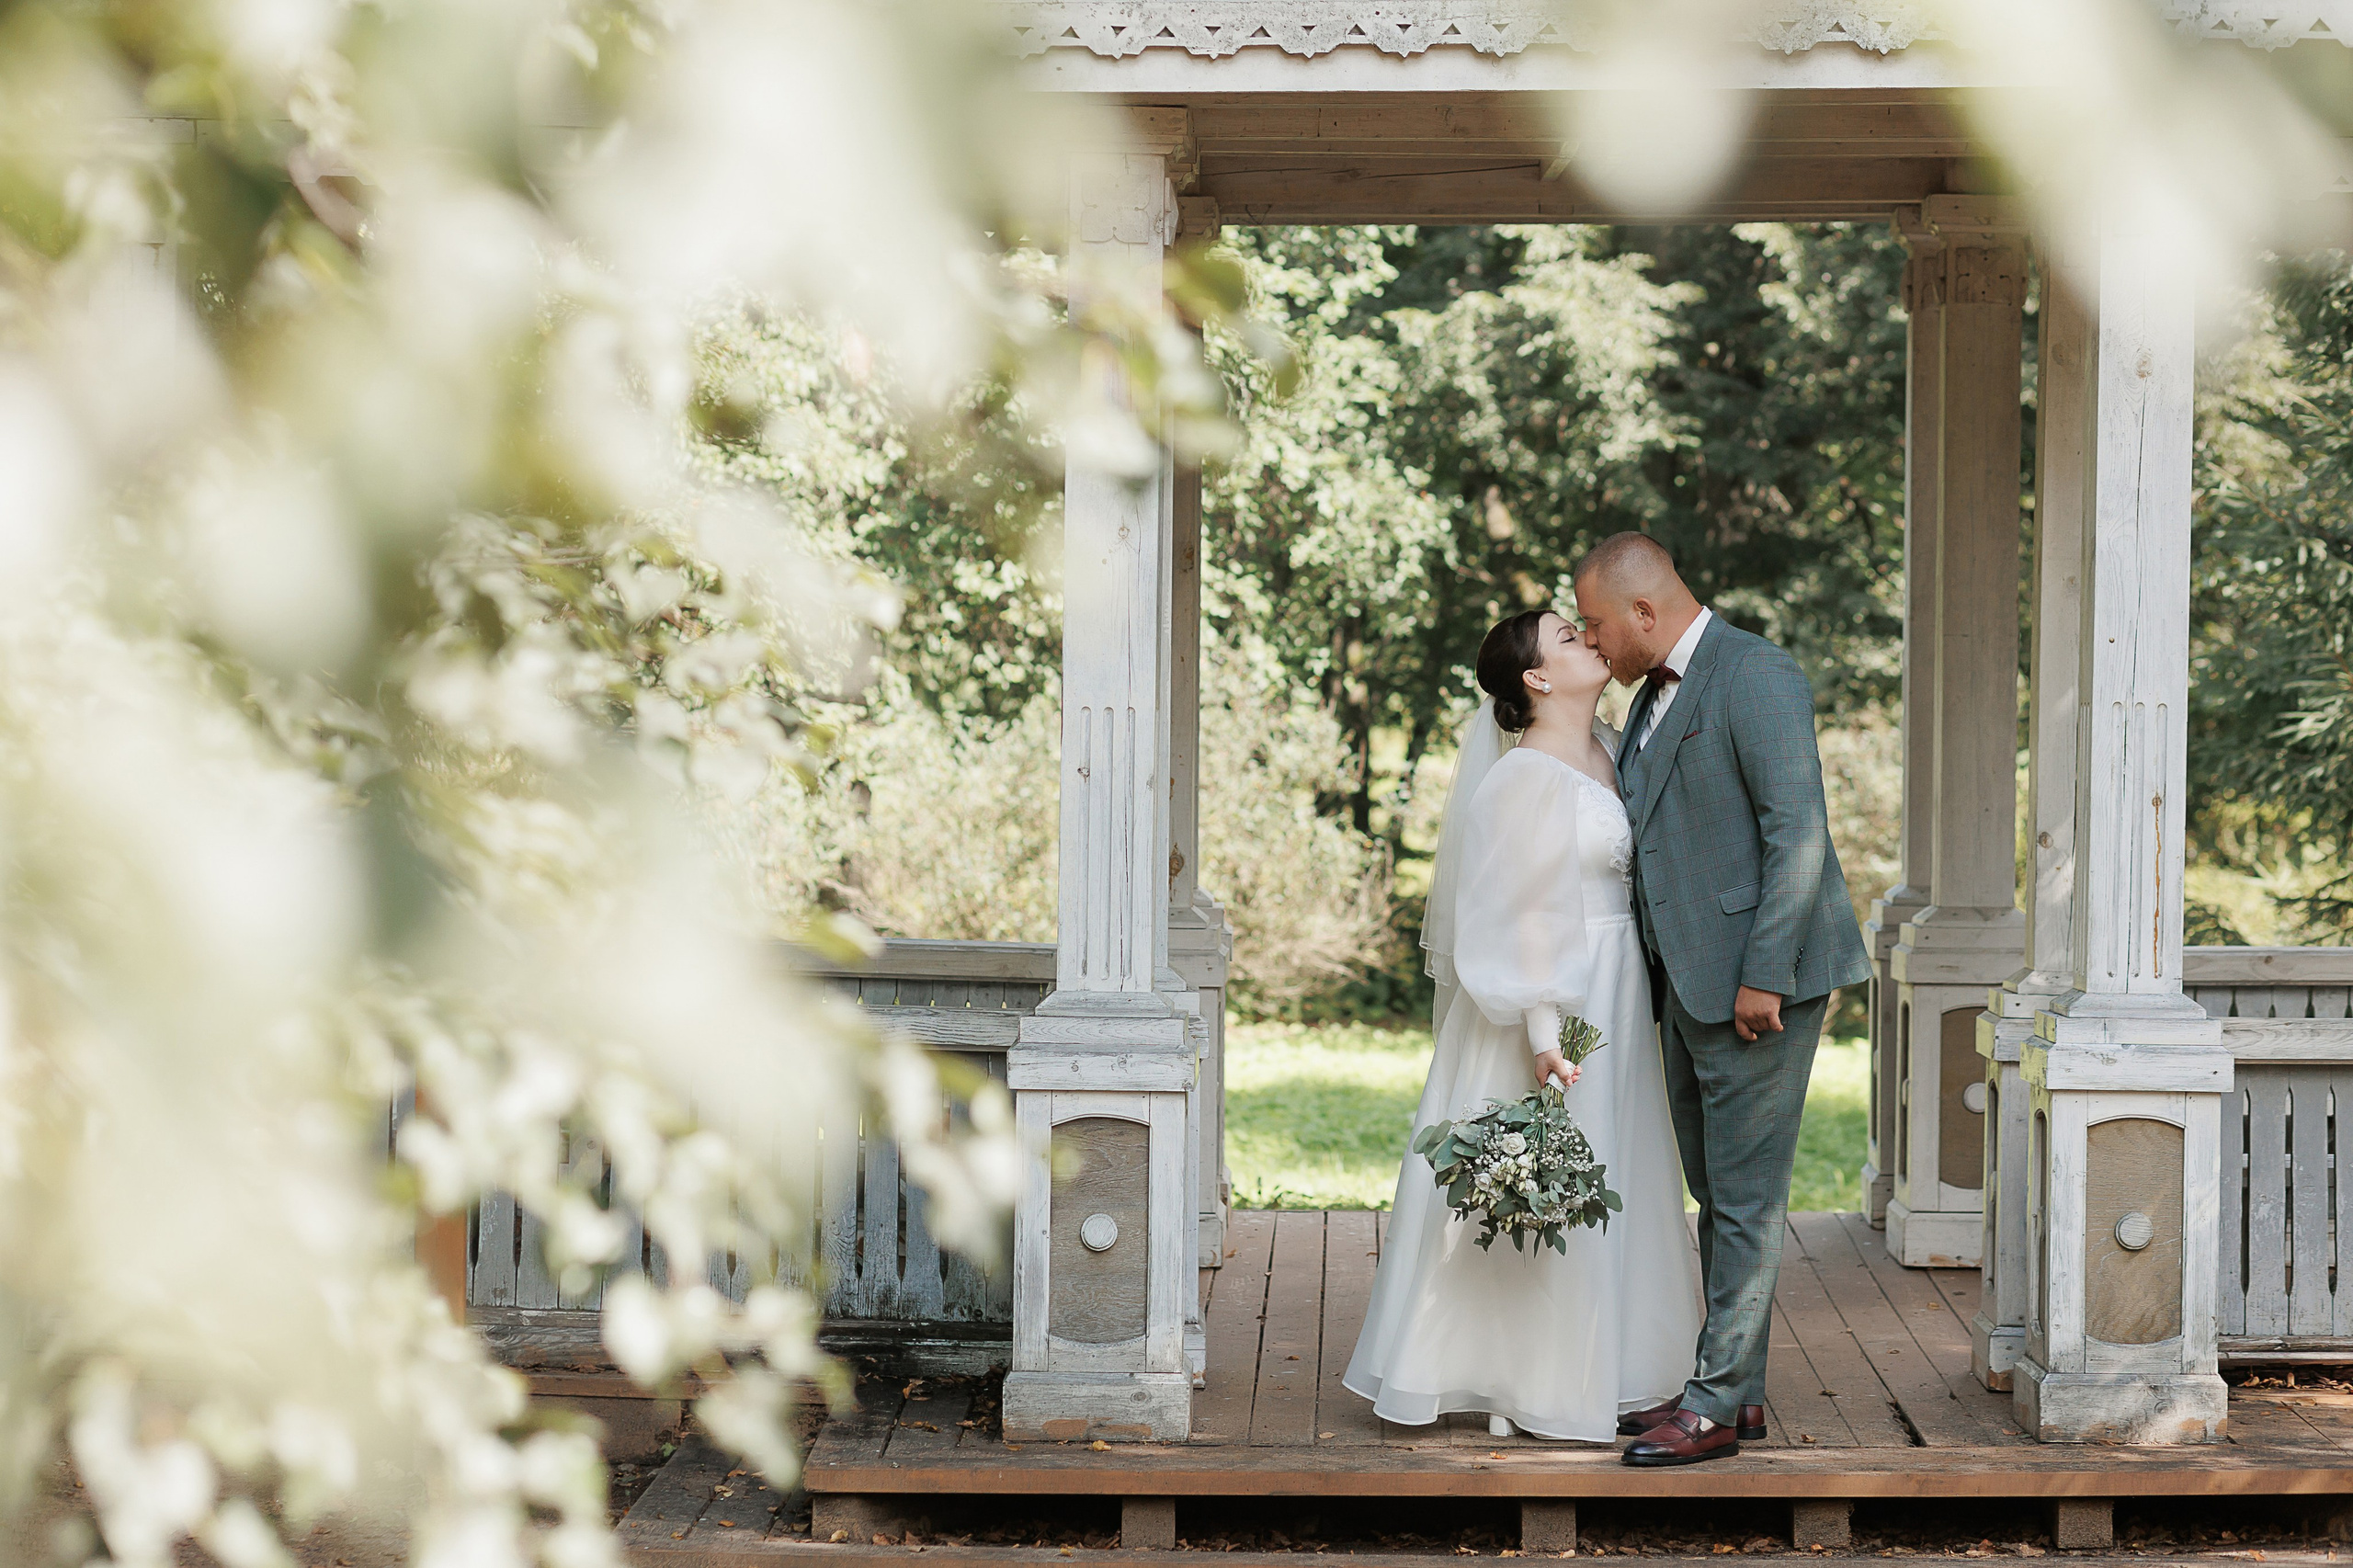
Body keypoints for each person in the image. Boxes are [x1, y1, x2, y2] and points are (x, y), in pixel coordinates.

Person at [1343, 608, 1703, 1442]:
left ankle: (1608, 1366)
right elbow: (1514, 912)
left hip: (1618, 987)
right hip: (1552, 1003)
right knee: (1539, 1174)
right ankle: (1519, 1376)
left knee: (1615, 1164)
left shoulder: (1612, 750)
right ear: (1536, 678)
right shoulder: (1521, 777)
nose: (1589, 640)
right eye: (1568, 638)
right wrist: (1543, 1032)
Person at [1571, 532, 1872, 1468]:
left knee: (1741, 1199)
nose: (1591, 639)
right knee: (1713, 1188)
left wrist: (1764, 975)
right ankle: (1732, 1390)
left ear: (1645, 614)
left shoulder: (1756, 673)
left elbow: (1798, 833)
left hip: (1756, 986)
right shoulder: (1650, 697)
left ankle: (1709, 1405)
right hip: (1685, 985)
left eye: (1595, 622)